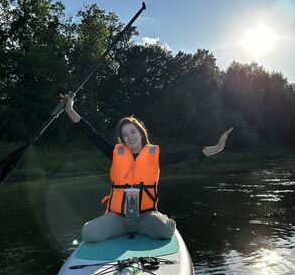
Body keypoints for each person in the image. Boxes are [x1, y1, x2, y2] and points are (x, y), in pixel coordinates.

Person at [63, 94, 232, 243]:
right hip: (118, 217)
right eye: (126, 135)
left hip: (145, 216)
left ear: (141, 133)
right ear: (122, 139)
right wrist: (70, 109)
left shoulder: (154, 154)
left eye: (133, 132)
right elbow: (90, 132)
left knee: (166, 232)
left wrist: (217, 147)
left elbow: (186, 154)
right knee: (88, 233)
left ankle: (159, 220)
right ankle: (125, 230)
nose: (130, 137)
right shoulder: (115, 153)